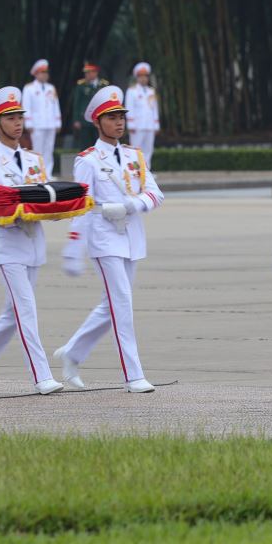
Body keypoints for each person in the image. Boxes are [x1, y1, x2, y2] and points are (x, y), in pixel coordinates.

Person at [55, 85, 165, 394]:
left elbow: (156, 193)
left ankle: (73, 352)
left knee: (112, 305)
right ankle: (133, 374)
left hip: (131, 234)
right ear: (97, 122)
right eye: (111, 117)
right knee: (122, 304)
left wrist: (133, 204)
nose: (119, 123)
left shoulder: (134, 156)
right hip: (103, 238)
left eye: (121, 117)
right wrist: (74, 248)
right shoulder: (88, 160)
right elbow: (81, 207)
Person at [0, 87, 65, 395]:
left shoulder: (35, 160)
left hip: (35, 244)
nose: (17, 123)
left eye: (20, 116)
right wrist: (22, 212)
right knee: (26, 310)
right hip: (9, 246)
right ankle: (41, 375)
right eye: (10, 118)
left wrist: (55, 210)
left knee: (13, 313)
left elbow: (45, 196)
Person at [21, 59, 61, 177]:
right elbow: (26, 106)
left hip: (50, 123)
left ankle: (48, 173)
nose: (45, 75)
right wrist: (28, 123)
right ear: (36, 74)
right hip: (37, 124)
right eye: (42, 72)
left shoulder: (51, 88)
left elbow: (55, 105)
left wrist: (58, 122)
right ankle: (38, 175)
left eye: (46, 73)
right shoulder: (29, 88)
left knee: (49, 150)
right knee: (37, 151)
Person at [125, 62, 161, 165]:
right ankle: (136, 173)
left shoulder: (151, 91)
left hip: (149, 125)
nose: (143, 79)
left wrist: (156, 124)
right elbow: (129, 108)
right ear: (137, 77)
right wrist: (130, 124)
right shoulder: (131, 91)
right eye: (141, 76)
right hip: (137, 126)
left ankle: (147, 172)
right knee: (136, 150)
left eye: (145, 76)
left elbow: (154, 109)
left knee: (148, 150)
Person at [69, 61, 107, 150]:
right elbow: (77, 103)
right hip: (85, 119)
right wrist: (76, 119)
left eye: (90, 72)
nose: (87, 75)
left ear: (95, 72)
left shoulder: (103, 84)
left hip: (99, 118)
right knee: (85, 144)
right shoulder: (81, 85)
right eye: (86, 73)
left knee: (100, 142)